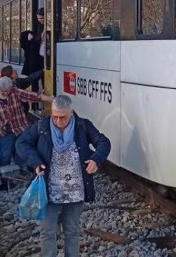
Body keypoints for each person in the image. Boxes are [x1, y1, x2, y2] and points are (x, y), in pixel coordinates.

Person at [16, 95, 111, 257]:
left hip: (75, 192)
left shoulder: (83, 125)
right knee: (47, 232)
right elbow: (21, 143)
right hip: (49, 191)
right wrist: (36, 162)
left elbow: (104, 142)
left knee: (72, 231)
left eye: (62, 117)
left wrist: (96, 159)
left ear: (71, 113)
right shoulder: (42, 126)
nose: (58, 121)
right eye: (55, 117)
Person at [0, 76, 54, 167]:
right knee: (5, 155)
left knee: (21, 152)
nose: (5, 93)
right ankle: (3, 177)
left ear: (11, 88)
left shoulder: (15, 92)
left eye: (7, 91)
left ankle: (20, 173)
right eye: (3, 91)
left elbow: (33, 96)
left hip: (20, 127)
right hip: (4, 131)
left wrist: (50, 99)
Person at [20, 8, 45, 76]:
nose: (40, 20)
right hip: (40, 57)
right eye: (38, 18)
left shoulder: (47, 27)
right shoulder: (39, 28)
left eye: (42, 18)